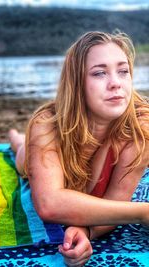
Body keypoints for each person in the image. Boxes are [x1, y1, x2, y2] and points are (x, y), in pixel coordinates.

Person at [9, 31, 149, 266]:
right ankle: (15, 138)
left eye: (123, 71)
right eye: (99, 73)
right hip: (41, 155)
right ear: (76, 83)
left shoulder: (141, 128)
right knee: (21, 154)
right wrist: (142, 212)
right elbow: (49, 203)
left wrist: (85, 231)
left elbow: (117, 201)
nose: (116, 82)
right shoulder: (48, 124)